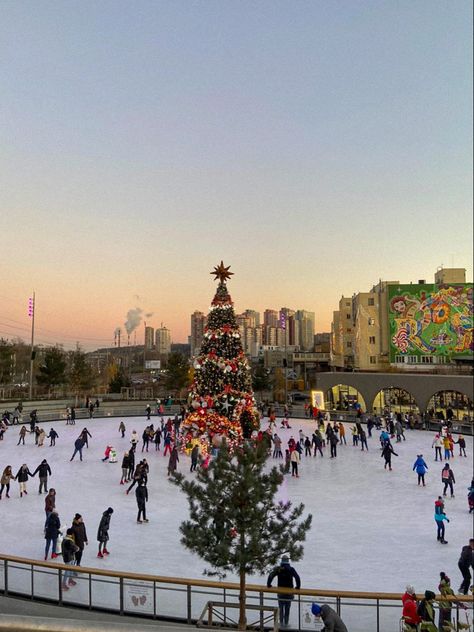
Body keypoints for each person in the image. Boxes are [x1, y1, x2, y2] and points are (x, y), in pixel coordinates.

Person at [267, 555, 301, 628]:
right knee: (287, 608)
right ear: (288, 561)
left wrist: (269, 584)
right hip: (289, 593)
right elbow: (297, 578)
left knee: (281, 608)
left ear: (281, 561)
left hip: (280, 593)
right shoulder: (291, 569)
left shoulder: (278, 569)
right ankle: (286, 624)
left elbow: (271, 575)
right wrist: (298, 587)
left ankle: (281, 623)